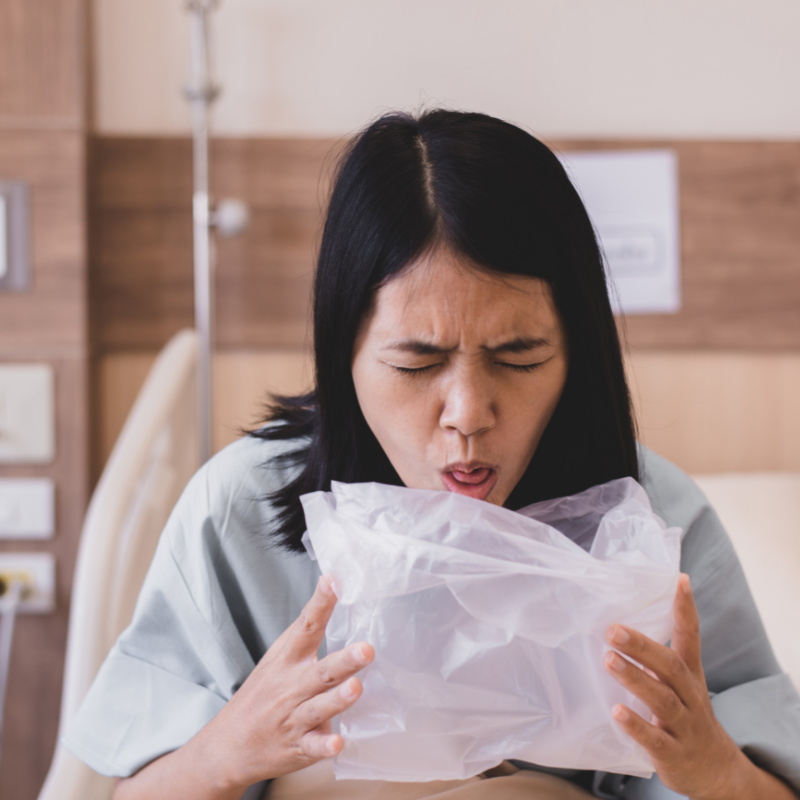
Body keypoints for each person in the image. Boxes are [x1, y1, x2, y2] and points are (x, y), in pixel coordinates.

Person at [63, 110, 800, 800]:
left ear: (579, 355)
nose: (468, 416)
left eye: (519, 355)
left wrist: (715, 771)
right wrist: (225, 754)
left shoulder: (655, 528)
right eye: (417, 363)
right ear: (343, 354)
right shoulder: (238, 519)